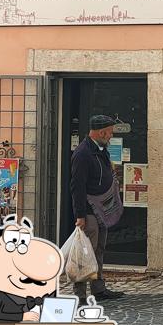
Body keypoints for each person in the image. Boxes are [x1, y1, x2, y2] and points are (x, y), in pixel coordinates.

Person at [69, 114, 124, 302]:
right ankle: (80, 295)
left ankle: (98, 289)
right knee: (86, 252)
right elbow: (77, 186)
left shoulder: (101, 150)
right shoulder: (83, 153)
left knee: (99, 249)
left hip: (101, 210)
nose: (111, 136)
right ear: (101, 132)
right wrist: (80, 215)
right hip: (89, 211)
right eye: (109, 133)